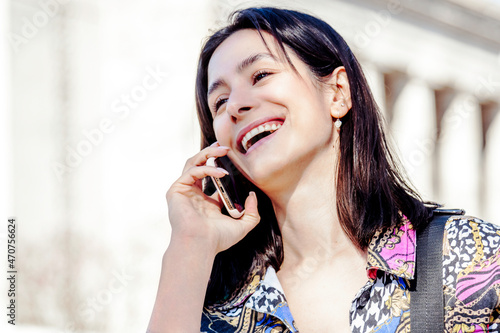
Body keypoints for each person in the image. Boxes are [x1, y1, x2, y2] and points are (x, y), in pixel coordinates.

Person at [147, 7, 500, 333]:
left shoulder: (469, 256)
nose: (237, 105)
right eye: (219, 102)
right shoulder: (219, 312)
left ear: (338, 93)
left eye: (261, 75)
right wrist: (189, 245)